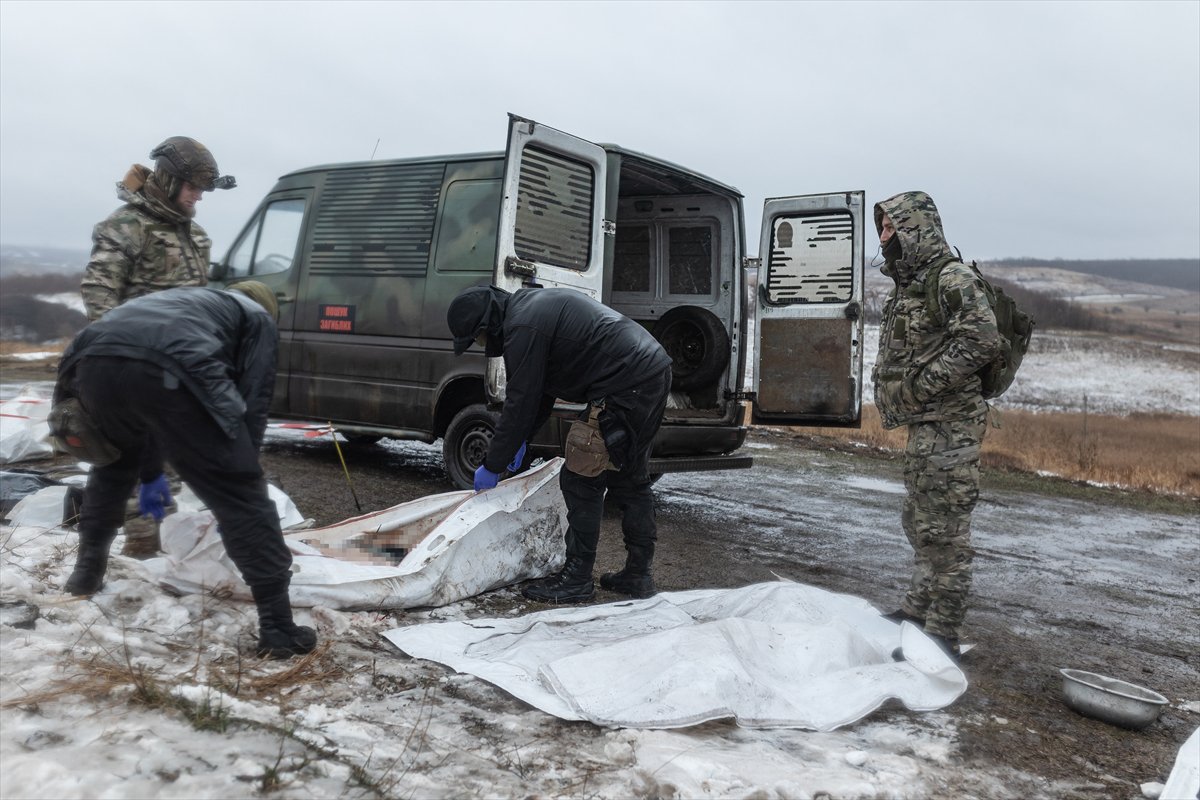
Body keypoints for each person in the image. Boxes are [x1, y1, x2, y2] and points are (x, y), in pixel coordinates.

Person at [52, 282, 316, 659]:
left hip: (94, 363)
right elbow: (252, 401)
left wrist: (148, 474)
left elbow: (140, 402)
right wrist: (238, 481)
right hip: (168, 366)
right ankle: (277, 628)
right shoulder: (258, 318)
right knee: (243, 495)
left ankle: (85, 576)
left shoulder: (185, 302)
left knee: (112, 466)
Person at [447, 285, 673, 603]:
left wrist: (493, 463)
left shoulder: (522, 326)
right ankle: (638, 575)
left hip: (625, 382)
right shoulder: (527, 309)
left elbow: (521, 400)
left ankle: (576, 580)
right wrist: (520, 442)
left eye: (478, 338)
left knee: (581, 477)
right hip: (651, 371)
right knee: (629, 477)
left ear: (487, 324)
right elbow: (540, 393)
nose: (481, 345)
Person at [79, 136, 236, 555]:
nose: (199, 196)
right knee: (128, 466)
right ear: (168, 181)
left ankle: (160, 548)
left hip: (182, 372)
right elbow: (99, 292)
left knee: (171, 463)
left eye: (203, 189)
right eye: (193, 187)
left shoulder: (195, 236)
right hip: (133, 369)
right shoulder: (125, 227)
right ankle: (138, 555)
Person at [872, 191, 1002, 660]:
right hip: (926, 424)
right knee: (923, 521)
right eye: (882, 228)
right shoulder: (913, 281)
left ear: (916, 228)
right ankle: (916, 609)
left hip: (951, 425)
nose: (884, 236)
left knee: (946, 528)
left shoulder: (951, 278)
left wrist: (924, 385)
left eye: (891, 227)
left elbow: (983, 340)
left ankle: (942, 631)